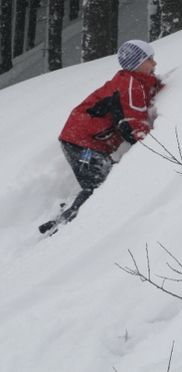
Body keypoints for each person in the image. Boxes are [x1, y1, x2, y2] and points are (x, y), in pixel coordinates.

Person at [39, 40, 164, 234]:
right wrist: (152, 146)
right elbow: (132, 120)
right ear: (137, 64)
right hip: (81, 142)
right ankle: (67, 224)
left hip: (85, 140)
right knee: (99, 186)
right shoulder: (130, 85)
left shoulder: (134, 81)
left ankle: (68, 212)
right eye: (150, 59)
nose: (154, 64)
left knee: (101, 180)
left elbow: (147, 93)